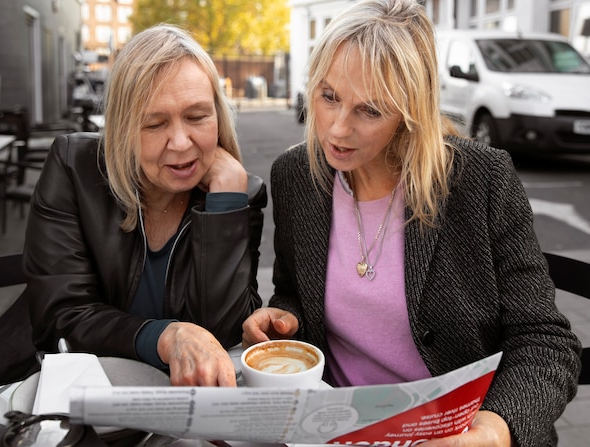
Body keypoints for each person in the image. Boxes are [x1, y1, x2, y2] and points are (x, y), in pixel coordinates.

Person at [241, 0, 581, 445]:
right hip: (337, 425)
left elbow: (545, 342)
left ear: (410, 111)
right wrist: (284, 317)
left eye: (370, 110)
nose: (337, 130)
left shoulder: (480, 180)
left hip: (457, 431)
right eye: (329, 97)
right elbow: (293, 291)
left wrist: (494, 433)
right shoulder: (298, 175)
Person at [21, 24, 267, 387]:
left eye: (197, 117)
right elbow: (60, 318)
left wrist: (226, 203)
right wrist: (165, 337)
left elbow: (223, 332)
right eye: (154, 124)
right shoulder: (74, 168)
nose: (181, 143)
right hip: (75, 395)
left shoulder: (238, 195)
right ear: (122, 127)